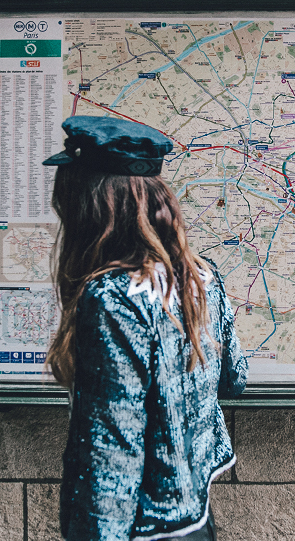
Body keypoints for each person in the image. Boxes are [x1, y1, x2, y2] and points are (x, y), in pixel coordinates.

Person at [42, 115, 249, 541]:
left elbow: (112, 452)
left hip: (137, 530)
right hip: (195, 521)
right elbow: (234, 379)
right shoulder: (200, 277)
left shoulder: (112, 298)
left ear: (90, 207)